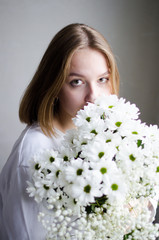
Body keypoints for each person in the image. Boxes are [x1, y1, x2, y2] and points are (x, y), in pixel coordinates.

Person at [0, 22, 152, 239]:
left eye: (102, 80)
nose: (94, 95)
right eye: (77, 82)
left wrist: (135, 207)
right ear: (54, 86)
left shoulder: (105, 135)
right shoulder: (35, 152)